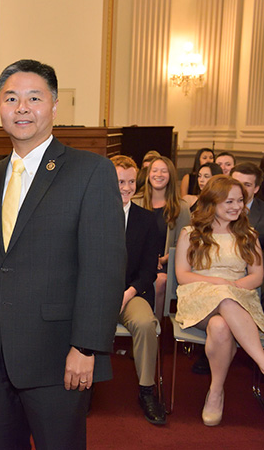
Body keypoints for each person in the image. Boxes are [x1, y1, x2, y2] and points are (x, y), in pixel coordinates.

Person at [0, 59, 125, 449]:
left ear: (53, 106)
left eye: (34, 98)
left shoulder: (90, 172)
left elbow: (103, 268)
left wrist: (86, 347)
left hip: (59, 356)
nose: (21, 107)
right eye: (11, 98)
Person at [174, 175, 264, 426]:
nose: (236, 206)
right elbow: (182, 275)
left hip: (239, 297)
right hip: (198, 296)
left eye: (239, 200)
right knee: (224, 299)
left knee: (221, 326)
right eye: (229, 202)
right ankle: (262, 359)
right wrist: (220, 285)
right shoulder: (190, 233)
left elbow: (257, 276)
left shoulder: (248, 234)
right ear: (212, 203)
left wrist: (233, 287)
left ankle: (215, 391)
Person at [111, 155, 165, 425]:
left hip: (132, 293)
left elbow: (148, 271)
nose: (127, 187)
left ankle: (146, 391)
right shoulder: (91, 213)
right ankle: (86, 385)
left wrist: (128, 293)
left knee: (145, 324)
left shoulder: (146, 220)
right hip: (98, 295)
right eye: (121, 181)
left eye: (131, 181)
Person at [133, 157, 191, 319]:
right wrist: (149, 259)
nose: (159, 174)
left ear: (171, 175)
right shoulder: (135, 202)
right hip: (139, 261)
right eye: (155, 170)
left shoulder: (181, 207)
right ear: (148, 174)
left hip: (167, 263)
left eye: (164, 171)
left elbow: (184, 244)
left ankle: (155, 326)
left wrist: (163, 259)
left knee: (160, 282)